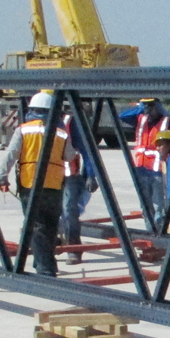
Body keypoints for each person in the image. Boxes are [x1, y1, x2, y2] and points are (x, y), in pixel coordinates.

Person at [0, 92, 77, 277]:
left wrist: (2, 177)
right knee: (50, 225)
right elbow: (70, 155)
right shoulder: (61, 133)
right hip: (54, 185)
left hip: (30, 184)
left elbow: (11, 155)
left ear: (32, 110)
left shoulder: (23, 130)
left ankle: (45, 270)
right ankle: (42, 262)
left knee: (36, 226)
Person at [120, 98, 170, 226]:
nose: (149, 110)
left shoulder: (166, 121)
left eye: (151, 106)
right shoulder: (140, 119)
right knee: (145, 206)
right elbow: (122, 116)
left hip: (157, 170)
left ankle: (160, 232)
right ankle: (150, 231)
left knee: (158, 205)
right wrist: (140, 109)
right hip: (140, 168)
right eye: (146, 106)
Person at [58, 113, 99, 264]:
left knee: (69, 212)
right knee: (47, 212)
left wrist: (91, 175)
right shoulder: (35, 121)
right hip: (47, 176)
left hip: (69, 176)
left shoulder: (69, 122)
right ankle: (50, 246)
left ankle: (73, 250)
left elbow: (86, 150)